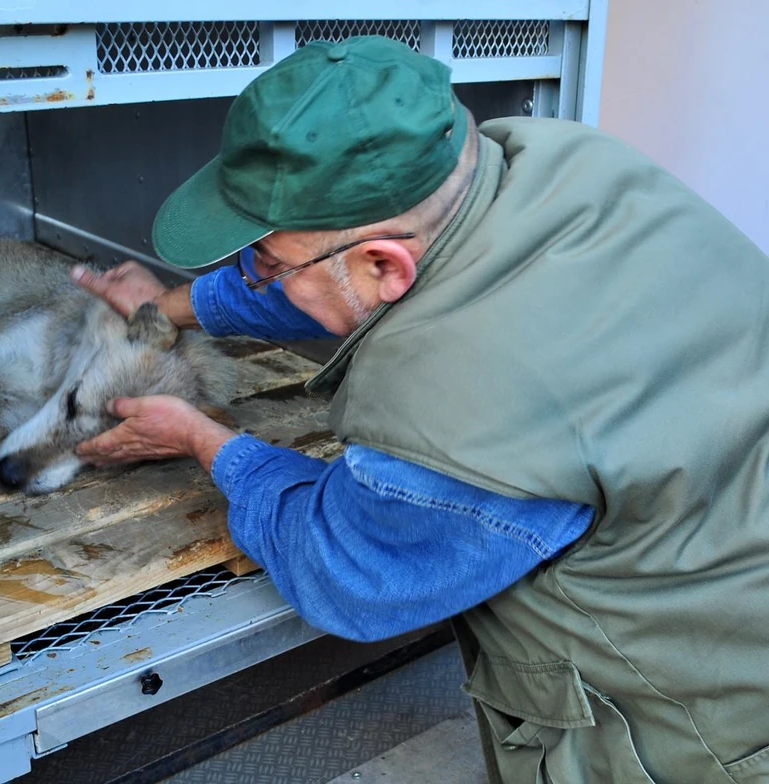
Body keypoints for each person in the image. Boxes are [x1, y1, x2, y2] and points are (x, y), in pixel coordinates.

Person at [70, 35, 769, 784]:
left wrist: (206, 440)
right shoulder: (552, 168)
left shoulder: (469, 402)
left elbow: (345, 571)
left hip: (699, 729)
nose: (256, 275)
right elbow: (333, 274)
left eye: (265, 262)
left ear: (382, 265)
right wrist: (168, 308)